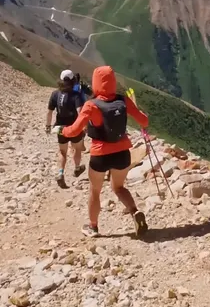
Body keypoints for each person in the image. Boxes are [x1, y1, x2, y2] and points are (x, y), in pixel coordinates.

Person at [61, 66, 149, 237]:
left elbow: (74, 131)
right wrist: (142, 115)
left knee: (95, 191)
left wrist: (62, 131)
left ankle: (93, 227)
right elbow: (144, 121)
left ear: (95, 83)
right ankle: (134, 212)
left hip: (100, 155)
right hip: (122, 153)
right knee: (118, 187)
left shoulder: (91, 105)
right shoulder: (123, 101)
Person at [46, 69, 86, 188]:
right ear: (73, 80)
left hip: (60, 127)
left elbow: (49, 112)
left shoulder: (55, 94)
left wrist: (48, 127)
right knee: (77, 149)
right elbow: (80, 112)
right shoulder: (76, 95)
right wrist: (84, 127)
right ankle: (77, 168)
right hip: (74, 127)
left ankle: (60, 173)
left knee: (62, 152)